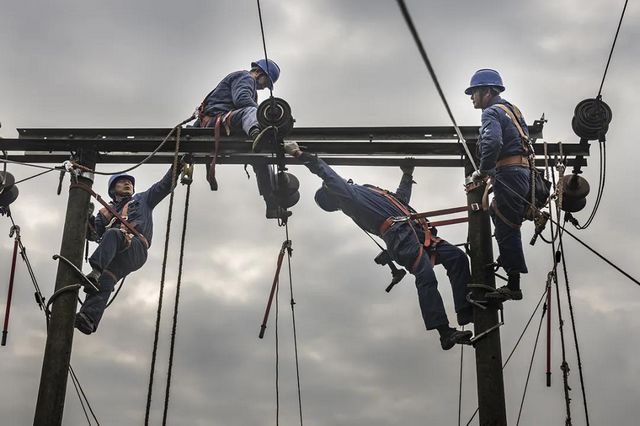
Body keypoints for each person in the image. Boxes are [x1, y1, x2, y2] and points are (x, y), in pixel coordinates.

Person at [283, 141, 473, 350]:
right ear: (333, 196)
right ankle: (444, 332)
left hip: (414, 229)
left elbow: (400, 200)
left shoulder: (367, 192)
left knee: (457, 258)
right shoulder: (349, 198)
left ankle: (466, 310)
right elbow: (325, 172)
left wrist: (407, 175)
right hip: (400, 236)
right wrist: (298, 153)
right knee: (425, 275)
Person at [75, 163, 183, 334]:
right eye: (122, 182)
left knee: (113, 235)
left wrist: (177, 166)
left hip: (136, 248)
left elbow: (164, 186)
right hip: (114, 255)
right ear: (112, 189)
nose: (127, 184)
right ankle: (88, 318)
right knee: (105, 280)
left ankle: (94, 273)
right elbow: (94, 235)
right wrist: (85, 217)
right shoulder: (105, 213)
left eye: (129, 182)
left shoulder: (143, 199)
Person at [192, 59, 288, 219]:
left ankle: (271, 205)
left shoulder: (248, 83)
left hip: (226, 123)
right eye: (266, 82)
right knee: (251, 111)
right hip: (217, 121)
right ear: (259, 72)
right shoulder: (246, 77)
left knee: (261, 159)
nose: (265, 87)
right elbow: (242, 100)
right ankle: (257, 134)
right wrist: (263, 116)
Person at [466, 69, 530, 301]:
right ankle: (507, 256)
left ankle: (513, 286)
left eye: (474, 92)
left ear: (488, 91)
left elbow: (493, 141)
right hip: (522, 174)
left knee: (506, 226)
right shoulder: (513, 110)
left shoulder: (491, 112)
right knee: (497, 212)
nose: (471, 97)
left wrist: (483, 172)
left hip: (510, 173)